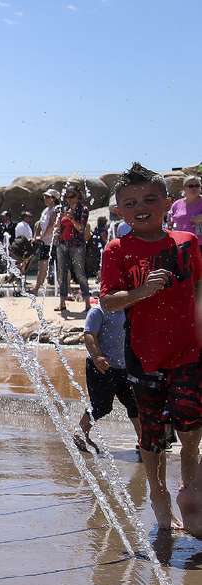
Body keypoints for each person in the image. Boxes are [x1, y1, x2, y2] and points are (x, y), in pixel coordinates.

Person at [99, 162, 202, 535]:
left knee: (191, 430)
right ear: (119, 211)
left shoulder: (186, 242)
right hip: (145, 357)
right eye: (130, 203)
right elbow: (108, 301)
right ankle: (159, 499)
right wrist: (141, 291)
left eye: (149, 199)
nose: (140, 207)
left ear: (167, 203)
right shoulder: (117, 249)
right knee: (152, 435)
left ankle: (190, 492)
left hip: (189, 353)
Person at [72, 303, 141, 454]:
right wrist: (97, 356)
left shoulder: (128, 308)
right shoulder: (98, 311)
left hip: (125, 367)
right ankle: (80, 433)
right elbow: (89, 334)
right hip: (101, 366)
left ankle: (143, 440)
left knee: (134, 403)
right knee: (101, 406)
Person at [53, 184, 91, 313]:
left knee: (80, 273)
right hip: (62, 244)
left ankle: (87, 304)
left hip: (77, 246)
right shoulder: (64, 208)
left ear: (77, 196)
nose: (69, 199)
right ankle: (62, 303)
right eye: (67, 197)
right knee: (62, 273)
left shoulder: (83, 209)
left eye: (72, 196)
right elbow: (60, 227)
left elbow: (81, 228)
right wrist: (58, 226)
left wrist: (72, 218)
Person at [29, 190, 60, 295]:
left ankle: (65, 291)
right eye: (45, 196)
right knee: (42, 266)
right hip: (45, 243)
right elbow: (39, 224)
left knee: (60, 268)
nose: (45, 198)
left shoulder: (56, 210)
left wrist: (41, 238)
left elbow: (51, 225)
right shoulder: (45, 210)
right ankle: (36, 289)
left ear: (54, 199)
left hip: (54, 243)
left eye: (47, 197)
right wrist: (35, 236)